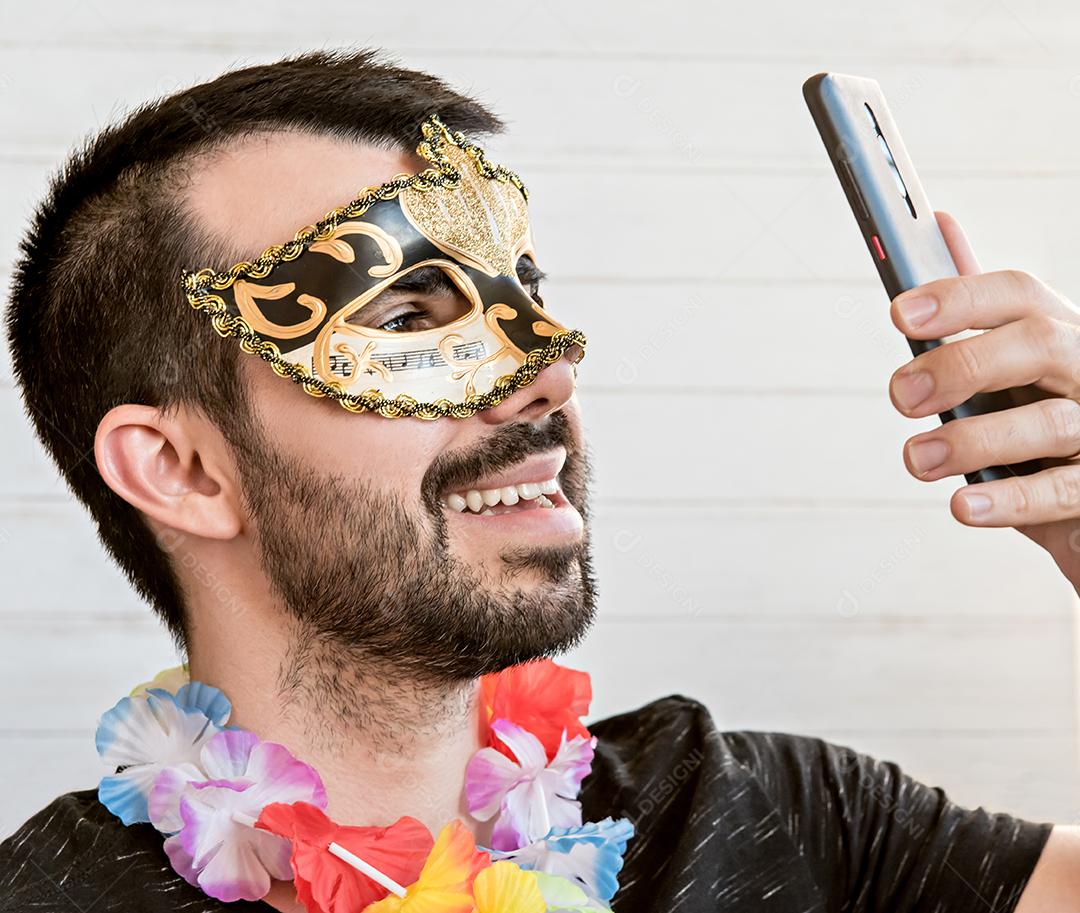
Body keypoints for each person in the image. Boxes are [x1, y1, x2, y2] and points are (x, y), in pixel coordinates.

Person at [2, 49, 1080, 913]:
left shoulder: (769, 818)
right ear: (181, 470)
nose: (546, 369)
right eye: (407, 317)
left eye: (521, 289)